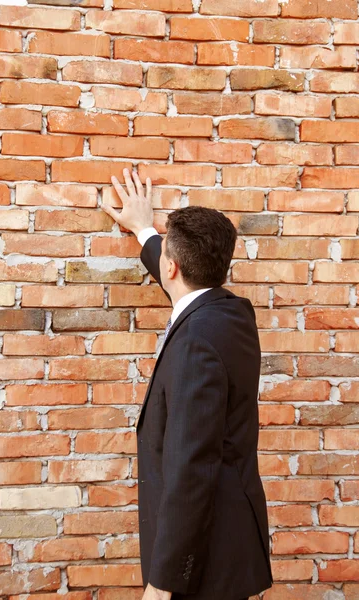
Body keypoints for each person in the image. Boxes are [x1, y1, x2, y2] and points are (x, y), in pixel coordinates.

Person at [102, 168, 273, 600]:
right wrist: (143, 230)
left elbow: (192, 467)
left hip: (205, 563)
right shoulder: (231, 314)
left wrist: (161, 585)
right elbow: (183, 284)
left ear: (173, 266)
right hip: (232, 542)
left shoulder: (197, 342)